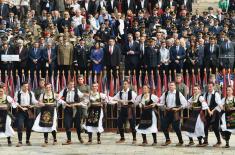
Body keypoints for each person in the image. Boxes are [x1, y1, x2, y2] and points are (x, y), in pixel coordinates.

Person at [32, 83, 66, 147]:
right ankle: (46, 141)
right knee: (45, 125)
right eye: (47, 87)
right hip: (44, 111)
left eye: (49, 87)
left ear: (51, 87)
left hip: (52, 111)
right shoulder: (42, 95)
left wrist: (65, 103)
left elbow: (60, 101)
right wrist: (40, 103)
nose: (48, 89)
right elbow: (39, 102)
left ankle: (55, 139)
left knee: (52, 125)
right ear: (45, 88)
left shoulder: (54, 94)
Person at [160, 81, 188, 146]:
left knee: (176, 128)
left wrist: (178, 109)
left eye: (172, 85)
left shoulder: (178, 93)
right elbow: (161, 102)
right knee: (163, 126)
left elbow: (185, 103)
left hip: (176, 112)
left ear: (175, 86)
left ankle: (180, 141)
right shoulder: (166, 93)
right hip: (168, 112)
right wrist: (164, 107)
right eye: (169, 85)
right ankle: (168, 140)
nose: (171, 86)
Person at [60, 80, 87, 145]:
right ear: (68, 85)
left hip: (76, 108)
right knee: (67, 124)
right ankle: (69, 140)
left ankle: (79, 137)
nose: (72, 86)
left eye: (73, 84)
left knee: (77, 125)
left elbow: (83, 96)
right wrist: (64, 103)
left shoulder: (76, 90)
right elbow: (58, 97)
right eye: (70, 84)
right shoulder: (64, 90)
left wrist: (79, 103)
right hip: (67, 108)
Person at [112, 80, 138, 144]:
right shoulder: (120, 92)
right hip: (123, 109)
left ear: (128, 85)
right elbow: (113, 98)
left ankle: (134, 138)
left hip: (130, 109)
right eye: (123, 84)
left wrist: (129, 101)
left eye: (125, 84)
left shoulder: (132, 92)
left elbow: (136, 100)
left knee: (132, 124)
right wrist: (120, 100)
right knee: (119, 123)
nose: (124, 85)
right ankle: (122, 138)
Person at [14, 81, 39, 147]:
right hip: (20, 111)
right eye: (25, 86)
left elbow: (34, 101)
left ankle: (27, 140)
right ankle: (20, 141)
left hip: (29, 111)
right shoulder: (18, 93)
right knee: (19, 125)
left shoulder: (31, 93)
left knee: (29, 126)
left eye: (27, 86)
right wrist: (21, 108)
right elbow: (15, 102)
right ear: (21, 86)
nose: (26, 87)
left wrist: (39, 102)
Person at [203, 82, 222, 147]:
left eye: (210, 87)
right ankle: (205, 141)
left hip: (216, 112)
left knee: (215, 127)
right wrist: (208, 110)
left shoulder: (216, 94)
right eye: (208, 87)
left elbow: (219, 104)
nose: (209, 88)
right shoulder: (205, 94)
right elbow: (204, 103)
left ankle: (219, 141)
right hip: (209, 112)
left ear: (213, 87)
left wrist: (212, 111)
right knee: (205, 126)